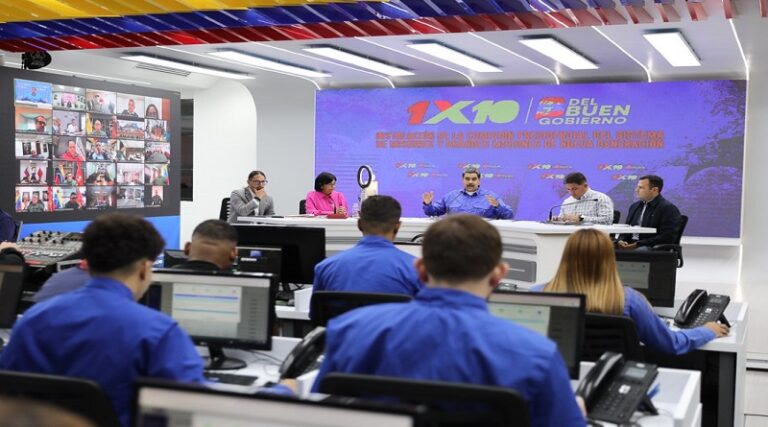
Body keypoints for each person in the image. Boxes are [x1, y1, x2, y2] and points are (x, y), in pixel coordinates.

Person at [312, 215, 585, 426]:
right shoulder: (538, 354)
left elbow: (315, 417)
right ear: (498, 274)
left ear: (420, 269)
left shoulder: (347, 332)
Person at [0, 214, 206, 427]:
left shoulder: (33, 320)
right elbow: (194, 408)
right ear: (145, 269)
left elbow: (8, 393)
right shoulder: (160, 333)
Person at [534, 229, 728, 354]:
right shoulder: (628, 300)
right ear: (610, 259)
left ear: (566, 257)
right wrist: (706, 331)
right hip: (612, 387)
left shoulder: (537, 294)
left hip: (558, 385)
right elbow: (671, 344)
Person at [311, 196, 423, 313]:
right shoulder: (418, 270)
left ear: (359, 224)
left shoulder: (325, 268)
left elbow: (316, 317)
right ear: (397, 226)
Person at [422, 166, 514, 219]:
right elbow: (433, 212)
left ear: (479, 181)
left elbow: (509, 215)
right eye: (467, 179)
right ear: (463, 180)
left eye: (474, 179)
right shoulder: (451, 196)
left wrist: (498, 206)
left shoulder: (491, 197)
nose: (470, 182)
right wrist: (427, 204)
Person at [617, 175, 682, 250]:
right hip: (632, 243)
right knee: (608, 248)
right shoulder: (634, 206)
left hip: (652, 247)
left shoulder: (668, 208)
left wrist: (637, 244)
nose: (636, 190)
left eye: (641, 188)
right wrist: (621, 240)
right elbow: (626, 229)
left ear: (654, 190)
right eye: (637, 187)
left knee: (640, 250)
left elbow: (667, 237)